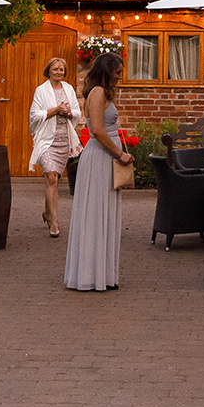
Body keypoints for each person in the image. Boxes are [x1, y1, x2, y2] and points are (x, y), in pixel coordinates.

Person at [63, 49, 130, 292]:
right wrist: (119, 153)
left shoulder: (102, 92)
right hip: (101, 157)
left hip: (105, 156)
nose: (120, 76)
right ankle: (92, 274)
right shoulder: (99, 92)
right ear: (106, 71)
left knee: (105, 213)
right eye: (117, 72)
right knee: (96, 212)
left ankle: (103, 273)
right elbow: (97, 131)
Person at [28, 56, 82, 239]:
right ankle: (54, 222)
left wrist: (68, 113)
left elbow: (77, 112)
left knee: (55, 179)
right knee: (51, 176)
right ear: (48, 71)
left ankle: (47, 211)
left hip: (63, 138)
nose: (58, 72)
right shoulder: (41, 90)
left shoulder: (69, 89)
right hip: (46, 140)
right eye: (55, 69)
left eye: (61, 70)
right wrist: (54, 111)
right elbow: (34, 116)